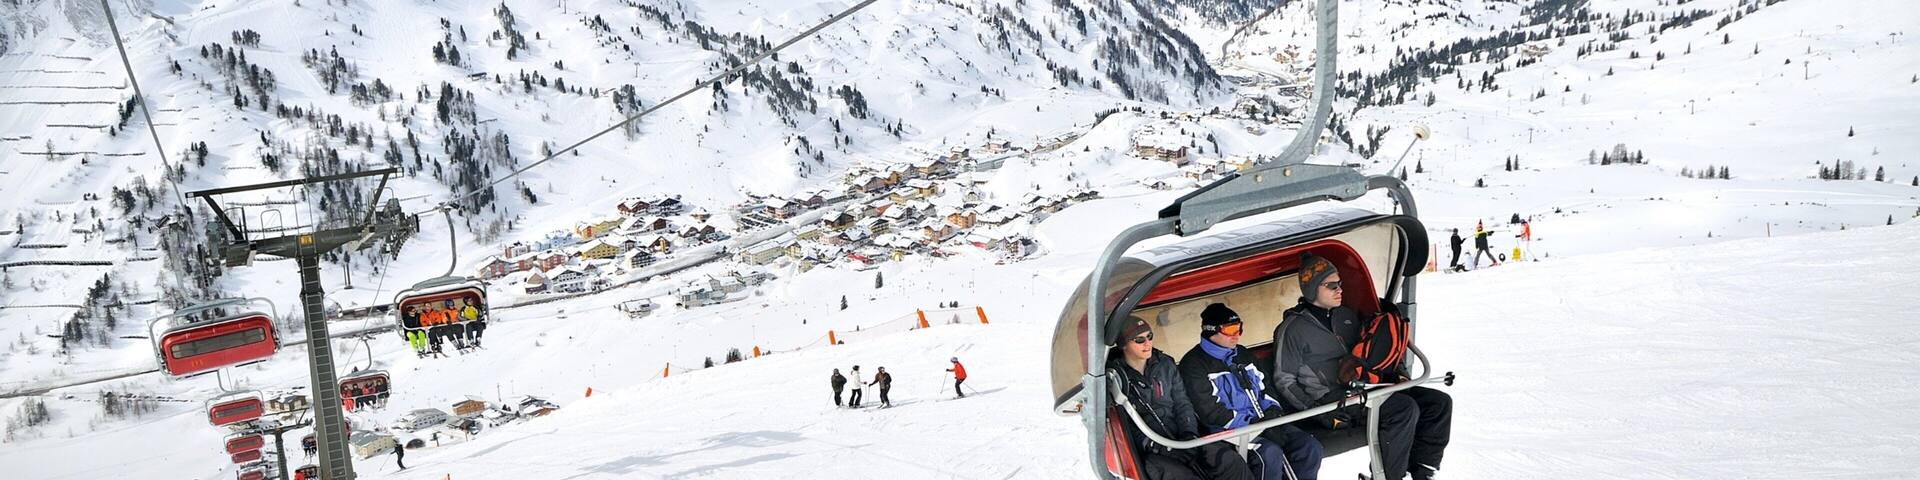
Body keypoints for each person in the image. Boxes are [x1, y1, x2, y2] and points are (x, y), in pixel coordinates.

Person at [1274, 254, 1452, 480]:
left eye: (1340, 284)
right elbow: (1284, 380)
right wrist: (1319, 412)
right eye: (1332, 286)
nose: (1340, 290)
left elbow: (1371, 351)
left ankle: (1423, 470)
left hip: (1368, 385)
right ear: (1312, 289)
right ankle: (1391, 476)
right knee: (1402, 409)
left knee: (1438, 403)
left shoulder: (1346, 316)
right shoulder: (1292, 329)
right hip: (1335, 399)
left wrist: (1399, 374)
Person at [1180, 303, 1323, 480]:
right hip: (1231, 432)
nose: (1237, 335)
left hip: (1264, 421)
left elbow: (1265, 387)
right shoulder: (1194, 364)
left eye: (1239, 328)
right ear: (1211, 331)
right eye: (1230, 329)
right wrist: (1254, 424)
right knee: (1268, 454)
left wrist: (1273, 412)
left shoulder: (1242, 353)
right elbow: (1209, 412)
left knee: (1309, 447)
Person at [1107, 315, 1256, 480]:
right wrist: (1157, 447)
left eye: (1150, 337)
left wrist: (1189, 434)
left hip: (1181, 438)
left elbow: (1182, 403)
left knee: (1228, 460)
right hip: (1151, 451)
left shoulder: (1165, 364)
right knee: (1178, 475)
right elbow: (1123, 423)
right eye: (1139, 340)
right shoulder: (1116, 378)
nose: (1147, 343)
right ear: (1123, 345)